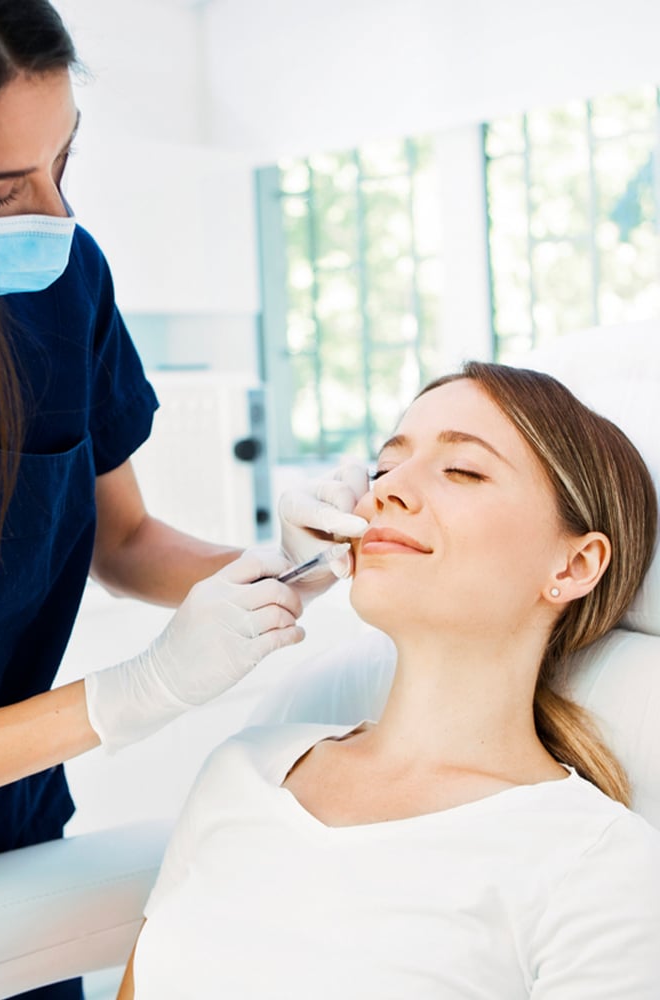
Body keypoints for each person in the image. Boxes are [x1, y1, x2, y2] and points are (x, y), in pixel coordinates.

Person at [0, 4, 368, 998]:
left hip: (17, 841)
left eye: (63, 165)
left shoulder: (65, 288)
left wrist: (276, 567)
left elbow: (124, 537)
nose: (54, 217)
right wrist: (128, 698)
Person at [119, 361, 660, 999]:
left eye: (463, 470)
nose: (385, 493)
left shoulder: (595, 864)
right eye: (383, 468)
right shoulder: (245, 766)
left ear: (574, 563)